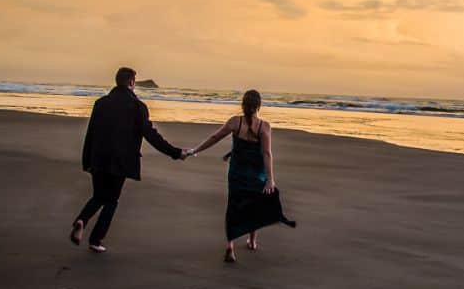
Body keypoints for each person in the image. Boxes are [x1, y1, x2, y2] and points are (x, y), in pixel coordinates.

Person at [70, 67, 188, 253]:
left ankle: (82, 220)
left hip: (98, 158)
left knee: (99, 195)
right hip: (121, 161)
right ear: (132, 82)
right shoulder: (137, 107)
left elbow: (91, 133)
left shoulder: (101, 103)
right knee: (112, 200)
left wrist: (87, 160)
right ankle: (95, 239)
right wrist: (175, 152)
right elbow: (151, 135)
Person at [185, 89, 295, 263]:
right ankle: (252, 241)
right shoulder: (263, 126)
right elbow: (266, 153)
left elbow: (215, 137)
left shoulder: (235, 122)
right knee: (254, 205)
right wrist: (270, 179)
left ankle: (230, 246)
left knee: (234, 205)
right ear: (259, 106)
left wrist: (194, 150)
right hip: (256, 174)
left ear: (243, 105)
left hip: (236, 171)